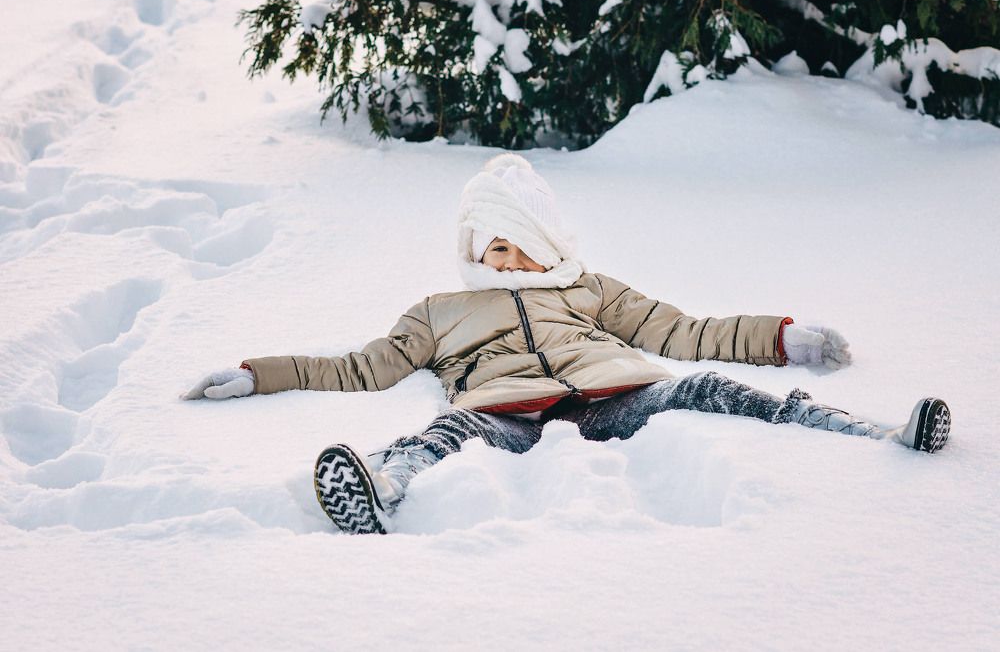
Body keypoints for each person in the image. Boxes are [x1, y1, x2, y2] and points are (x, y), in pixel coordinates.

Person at [183, 154, 952, 535]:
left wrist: (786, 340)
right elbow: (360, 367)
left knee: (708, 385)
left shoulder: (587, 289)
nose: (502, 261)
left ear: (543, 243)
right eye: (491, 247)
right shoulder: (439, 310)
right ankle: (383, 485)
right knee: (447, 430)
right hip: (504, 409)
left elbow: (682, 331)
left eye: (516, 247)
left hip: (611, 396)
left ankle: (870, 429)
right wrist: (258, 375)